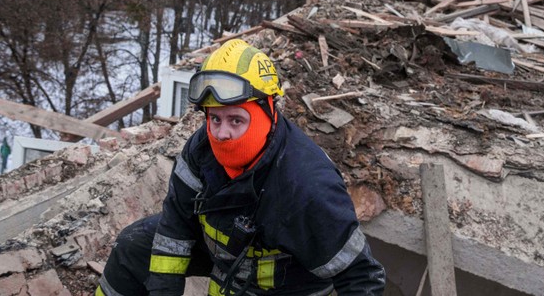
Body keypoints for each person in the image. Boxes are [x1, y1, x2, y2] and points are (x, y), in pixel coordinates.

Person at [96, 39, 386, 296]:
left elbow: (361, 277)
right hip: (224, 257)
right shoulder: (201, 148)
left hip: (283, 285)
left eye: (236, 120)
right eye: (215, 119)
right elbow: (176, 224)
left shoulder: (306, 186)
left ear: (268, 112)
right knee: (135, 245)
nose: (222, 134)